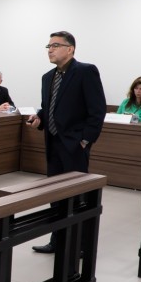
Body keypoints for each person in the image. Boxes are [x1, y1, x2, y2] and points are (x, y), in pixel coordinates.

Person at [27, 31, 106, 253]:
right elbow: (48, 107)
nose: (50, 49)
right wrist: (39, 118)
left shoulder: (85, 72)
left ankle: (80, 245)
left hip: (74, 145)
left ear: (70, 49)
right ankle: (58, 240)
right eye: (48, 46)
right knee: (55, 196)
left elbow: (97, 110)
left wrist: (85, 141)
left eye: (55, 45)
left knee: (76, 196)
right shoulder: (47, 77)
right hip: (53, 144)